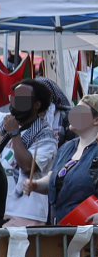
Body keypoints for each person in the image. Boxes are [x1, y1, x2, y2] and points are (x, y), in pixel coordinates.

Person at [1, 78, 63, 226]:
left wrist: (15, 133)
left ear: (37, 105)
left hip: (25, 212)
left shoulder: (45, 135)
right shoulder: (5, 125)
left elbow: (28, 167)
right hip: (1, 209)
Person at [48, 95, 98, 225]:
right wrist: (34, 185)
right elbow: (54, 179)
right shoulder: (66, 147)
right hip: (62, 231)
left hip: (90, 234)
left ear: (96, 120)